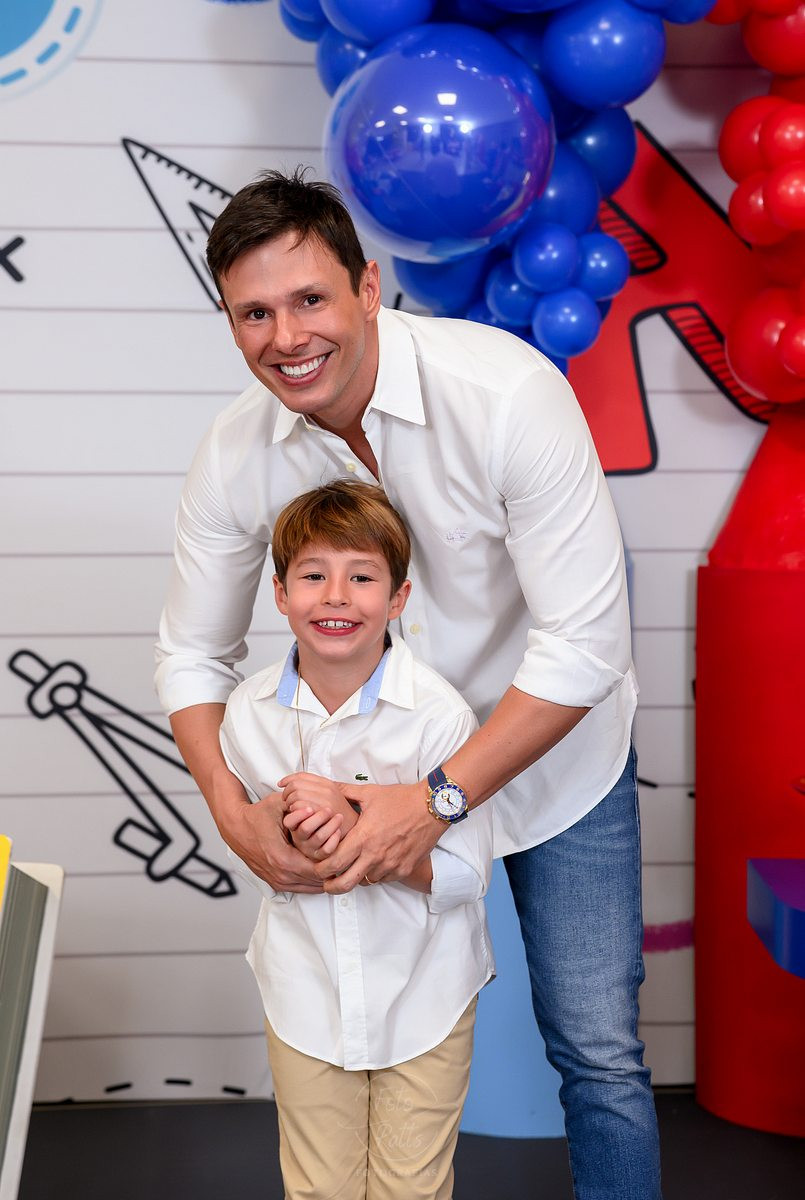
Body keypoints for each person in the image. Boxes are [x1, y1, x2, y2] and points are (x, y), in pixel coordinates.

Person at [155, 167, 662, 1199]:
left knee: (598, 1049)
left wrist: (435, 801)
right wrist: (229, 810)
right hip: (373, 783)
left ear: (368, 287)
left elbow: (582, 644)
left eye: (309, 299)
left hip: (554, 756)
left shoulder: (508, 393)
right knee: (355, 1044)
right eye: (254, 313)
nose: (286, 337)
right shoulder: (235, 451)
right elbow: (192, 655)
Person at [219, 479, 493, 1200]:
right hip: (304, 987)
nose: (336, 596)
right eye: (313, 576)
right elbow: (262, 854)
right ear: (280, 594)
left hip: (425, 991)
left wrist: (357, 831)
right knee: (319, 1188)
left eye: (362, 577)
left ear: (398, 599)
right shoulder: (247, 714)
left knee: (411, 1189)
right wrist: (294, 837)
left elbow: (466, 877)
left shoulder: (439, 717)